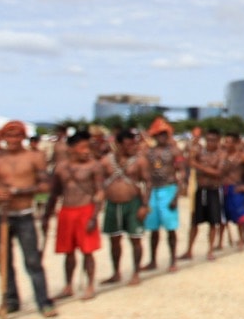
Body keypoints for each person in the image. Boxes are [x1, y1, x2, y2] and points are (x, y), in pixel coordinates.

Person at [0, 120, 58, 318]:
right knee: (3, 260)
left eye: (17, 136)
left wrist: (19, 192)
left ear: (23, 137)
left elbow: (45, 186)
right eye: (9, 136)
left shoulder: (34, 158)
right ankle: (10, 301)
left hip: (24, 214)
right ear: (3, 138)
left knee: (32, 260)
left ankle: (43, 301)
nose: (13, 140)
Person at [43, 130, 105, 300]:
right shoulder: (61, 168)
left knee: (87, 251)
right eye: (82, 147)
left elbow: (99, 192)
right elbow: (54, 193)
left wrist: (94, 216)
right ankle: (68, 285)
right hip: (66, 211)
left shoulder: (94, 166)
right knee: (68, 252)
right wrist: (46, 216)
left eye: (88, 147)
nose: (86, 151)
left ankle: (90, 285)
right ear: (71, 149)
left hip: (85, 210)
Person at [100, 128, 150, 285]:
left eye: (133, 145)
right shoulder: (106, 161)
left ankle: (136, 273)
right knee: (114, 239)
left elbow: (148, 182)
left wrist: (145, 205)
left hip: (133, 203)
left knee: (135, 239)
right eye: (128, 145)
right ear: (118, 145)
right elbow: (98, 182)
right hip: (113, 205)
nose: (132, 148)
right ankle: (116, 272)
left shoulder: (140, 161)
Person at [142, 117, 185, 273]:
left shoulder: (175, 151)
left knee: (170, 228)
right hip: (153, 189)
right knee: (153, 229)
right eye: (159, 134)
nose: (161, 137)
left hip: (169, 189)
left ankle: (173, 260)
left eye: (164, 134)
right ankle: (153, 260)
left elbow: (182, 174)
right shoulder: (148, 152)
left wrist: (176, 196)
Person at [182, 128, 224, 261]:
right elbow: (189, 161)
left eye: (213, 140)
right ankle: (189, 250)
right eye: (208, 140)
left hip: (213, 190)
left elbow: (218, 172)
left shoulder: (221, 155)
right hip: (200, 189)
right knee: (194, 221)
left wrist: (199, 166)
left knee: (213, 222)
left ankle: (210, 250)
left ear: (218, 141)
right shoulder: (200, 152)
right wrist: (193, 157)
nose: (210, 143)